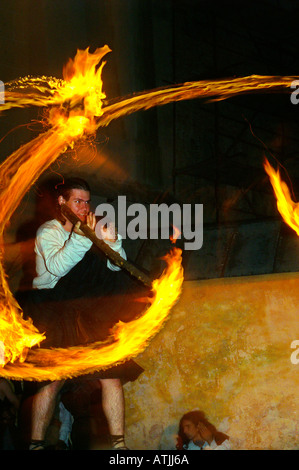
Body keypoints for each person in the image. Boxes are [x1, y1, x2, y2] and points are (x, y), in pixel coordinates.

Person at [17, 177, 148, 450]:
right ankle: (36, 445)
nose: (84, 207)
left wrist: (113, 244)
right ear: (61, 202)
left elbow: (115, 269)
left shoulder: (92, 229)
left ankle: (118, 445)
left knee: (110, 375)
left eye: (87, 201)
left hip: (88, 311)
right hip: (54, 310)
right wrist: (81, 237)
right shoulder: (48, 231)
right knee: (51, 381)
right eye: (78, 201)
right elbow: (56, 267)